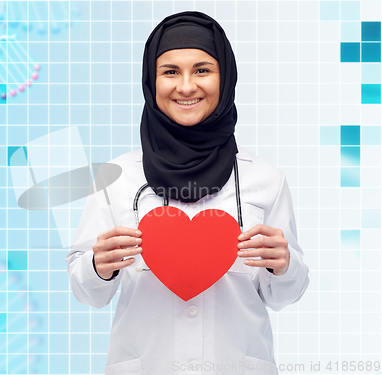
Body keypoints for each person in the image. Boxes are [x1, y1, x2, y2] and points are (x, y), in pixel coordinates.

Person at [66, 11, 309, 375]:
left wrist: (284, 264)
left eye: (202, 70)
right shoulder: (115, 178)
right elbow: (88, 293)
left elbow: (285, 295)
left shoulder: (265, 180)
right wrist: (98, 268)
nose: (186, 86)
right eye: (170, 72)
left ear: (224, 79)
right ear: (151, 80)